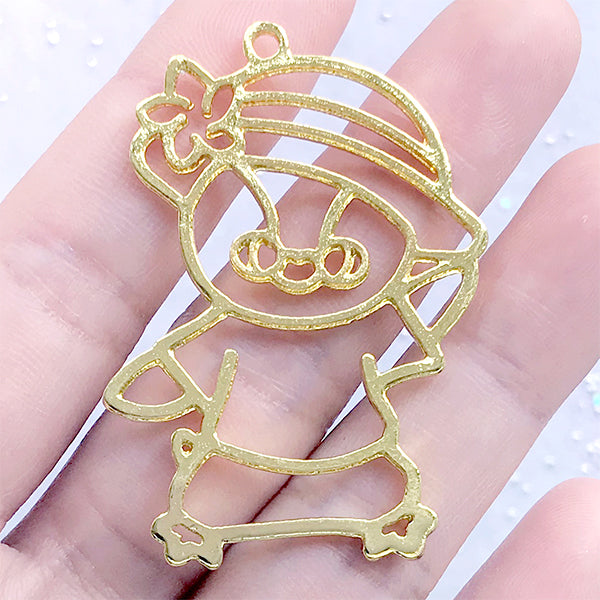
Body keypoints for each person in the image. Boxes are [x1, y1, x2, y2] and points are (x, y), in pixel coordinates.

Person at [0, 0, 598, 598]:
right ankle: (214, 520)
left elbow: (405, 374)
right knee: (211, 481)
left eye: (340, 257)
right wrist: (168, 387)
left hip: (343, 471)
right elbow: (158, 381)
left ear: (415, 259)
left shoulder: (389, 328)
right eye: (259, 248)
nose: (296, 270)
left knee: (372, 472)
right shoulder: (219, 333)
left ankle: (355, 516)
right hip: (220, 460)